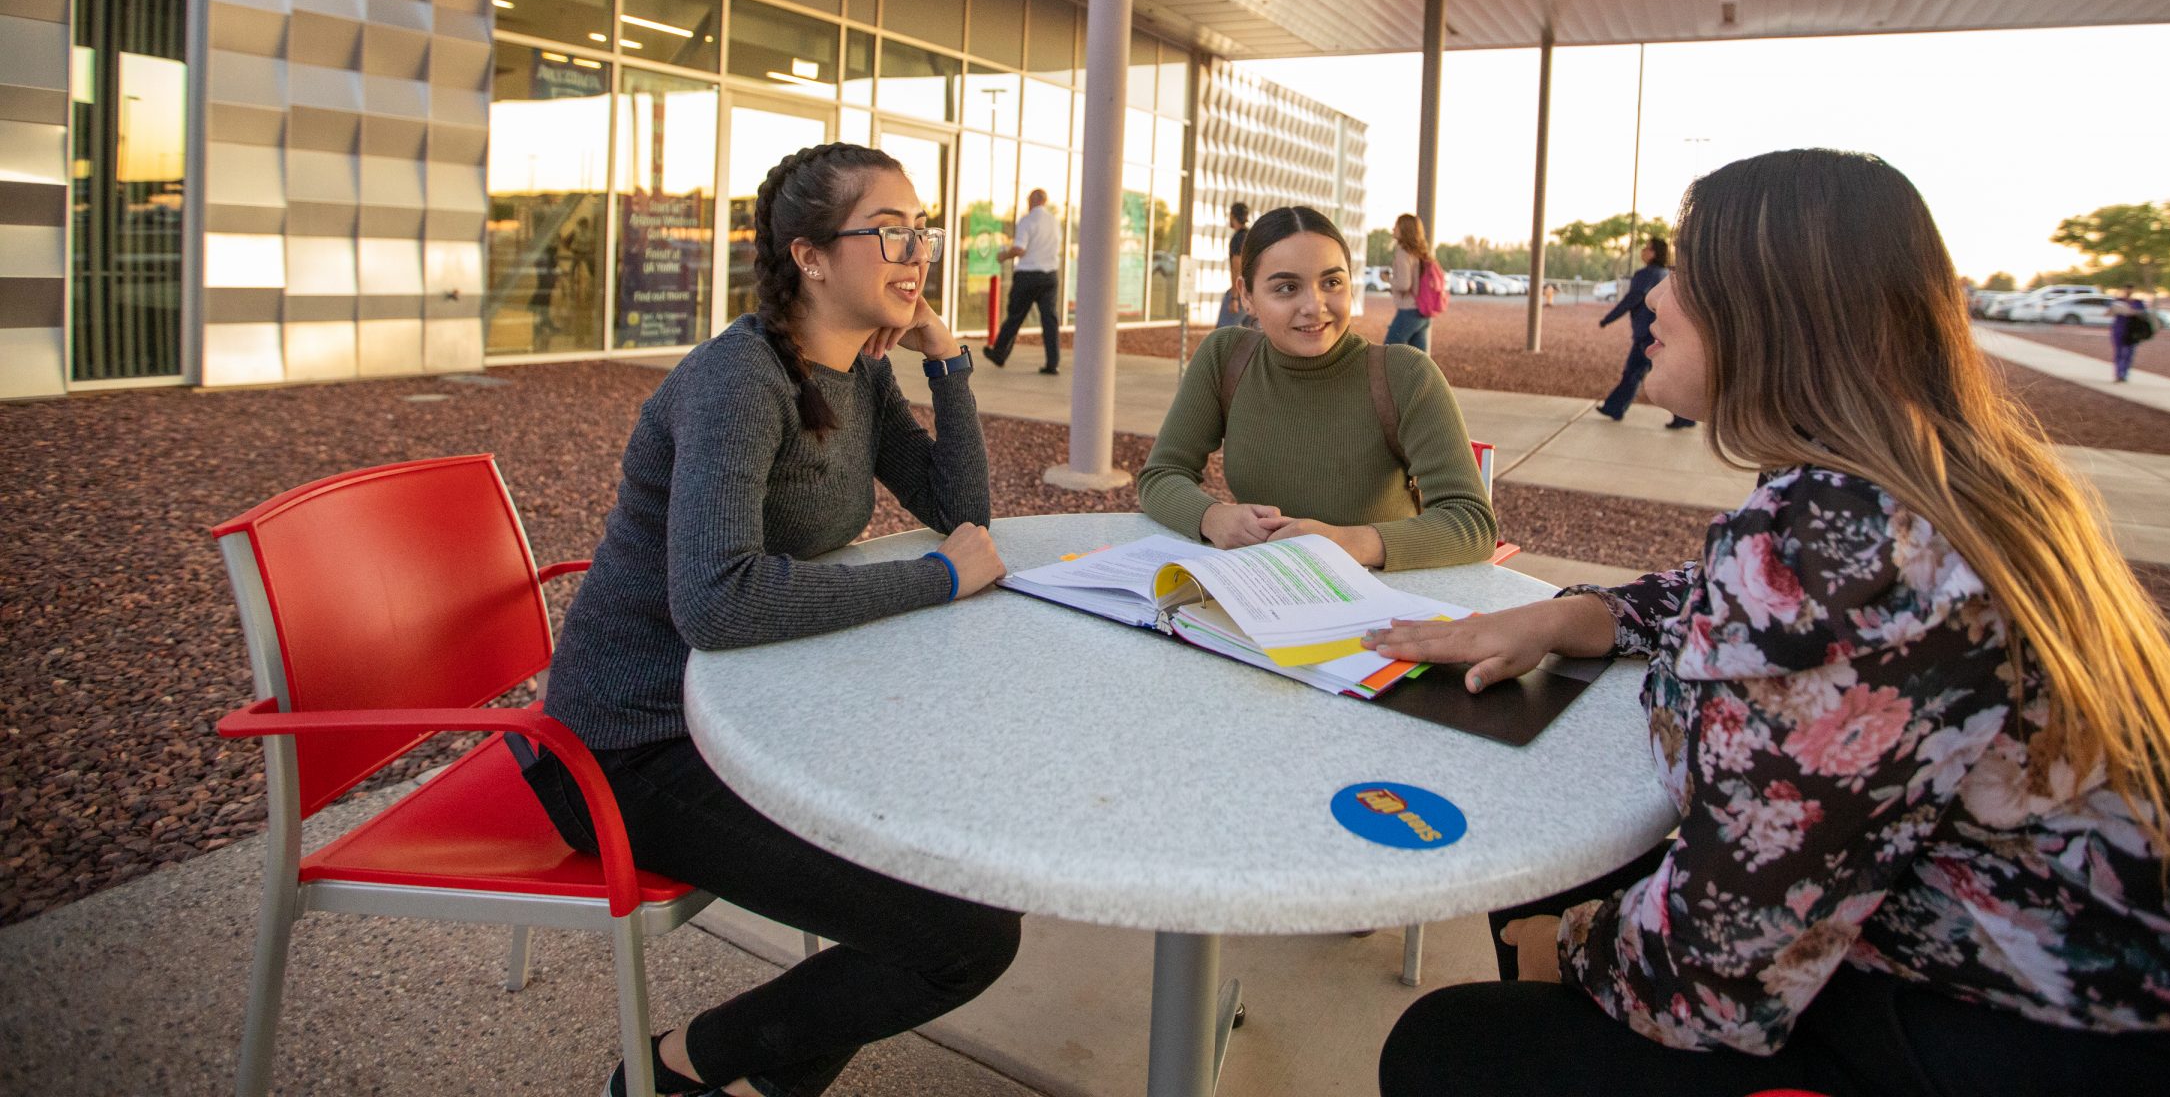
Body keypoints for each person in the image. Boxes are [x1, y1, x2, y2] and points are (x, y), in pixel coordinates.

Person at [1369, 148, 2170, 1097]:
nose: (1652, 297)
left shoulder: (1839, 544)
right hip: (2148, 999)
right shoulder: (1924, 479)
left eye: (1688, 275)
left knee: (1455, 1046)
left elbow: (1711, 979)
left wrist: (1565, 952)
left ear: (1778, 312)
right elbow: (1721, 606)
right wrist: (1573, 615)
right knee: (1570, 868)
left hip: (2068, 1042)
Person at [522, 142, 1021, 1097]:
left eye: (923, 231)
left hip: (753, 714)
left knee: (958, 834)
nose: (917, 252)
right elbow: (717, 600)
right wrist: (933, 581)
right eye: (890, 231)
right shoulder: (738, 382)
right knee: (965, 936)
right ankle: (681, 1064)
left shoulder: (859, 374)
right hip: (627, 750)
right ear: (810, 256)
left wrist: (949, 365)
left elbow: (964, 519)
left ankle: (760, 1079)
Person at [1140, 205, 1495, 571]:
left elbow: (1471, 521)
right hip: (1262, 594)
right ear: (1246, 295)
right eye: (1287, 288)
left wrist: (1348, 542)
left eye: (1331, 282)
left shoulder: (1405, 375)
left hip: (1381, 607)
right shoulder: (1225, 357)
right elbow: (1161, 474)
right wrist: (1213, 517)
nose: (1314, 306)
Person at [1596, 235, 1695, 429]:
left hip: (1647, 335)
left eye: (1647, 248)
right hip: (1659, 333)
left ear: (1655, 253)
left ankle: (1684, 415)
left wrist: (1607, 319)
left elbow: (1632, 299)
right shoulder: (1667, 274)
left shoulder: (1645, 275)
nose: (1643, 251)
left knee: (1638, 372)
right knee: (1639, 372)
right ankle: (1615, 407)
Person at [984, 187, 1061, 374]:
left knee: (1015, 316)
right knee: (1049, 319)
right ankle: (1053, 362)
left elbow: (1019, 248)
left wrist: (1004, 255)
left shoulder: (1028, 220)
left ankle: (999, 353)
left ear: (1034, 200)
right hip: (1050, 275)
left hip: (1028, 275)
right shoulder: (1054, 222)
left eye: (1028, 199)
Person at [1385, 212, 1435, 352]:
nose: (1393, 229)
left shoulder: (1403, 253)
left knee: (1388, 353)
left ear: (1404, 229)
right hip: (1422, 312)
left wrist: (1388, 279)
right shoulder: (1420, 253)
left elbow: (1404, 284)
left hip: (1408, 311)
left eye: (1396, 226)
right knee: (1420, 362)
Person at [1214, 201, 1252, 328]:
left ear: (1233, 216)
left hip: (1241, 293)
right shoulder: (1250, 235)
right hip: (1252, 293)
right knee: (1251, 338)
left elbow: (1237, 268)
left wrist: (1234, 297)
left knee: (1222, 335)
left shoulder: (1239, 238)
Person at [2110, 283, 2153, 382]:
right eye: (2127, 289)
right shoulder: (2118, 301)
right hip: (2119, 328)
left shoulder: (2138, 302)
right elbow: (2110, 312)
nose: (2128, 291)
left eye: (2130, 289)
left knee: (2129, 353)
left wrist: (2134, 312)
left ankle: (2124, 374)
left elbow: (2144, 313)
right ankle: (2119, 374)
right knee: (2119, 352)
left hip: (2132, 330)